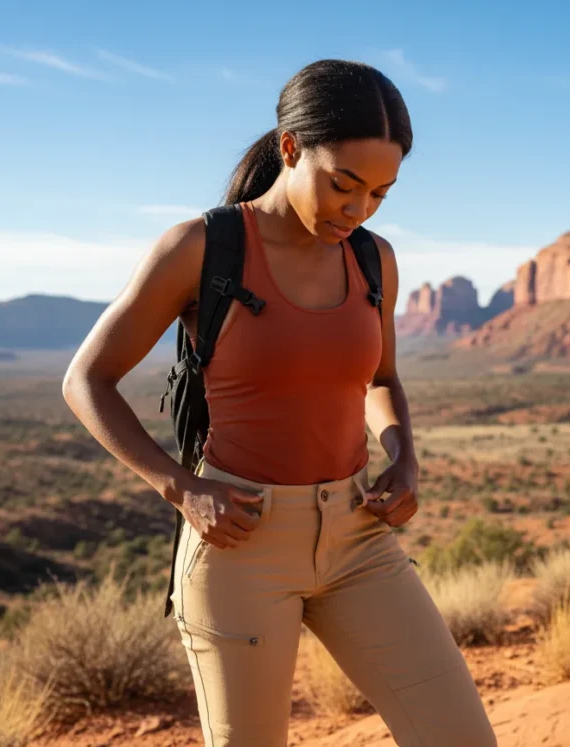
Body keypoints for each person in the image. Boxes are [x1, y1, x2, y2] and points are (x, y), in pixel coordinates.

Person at [62, 59, 497, 747]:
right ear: (290, 147)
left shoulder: (373, 259)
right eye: (343, 185)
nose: (357, 211)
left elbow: (380, 378)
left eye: (381, 194)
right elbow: (86, 379)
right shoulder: (200, 248)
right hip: (240, 543)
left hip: (358, 535)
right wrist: (180, 486)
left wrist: (404, 457)